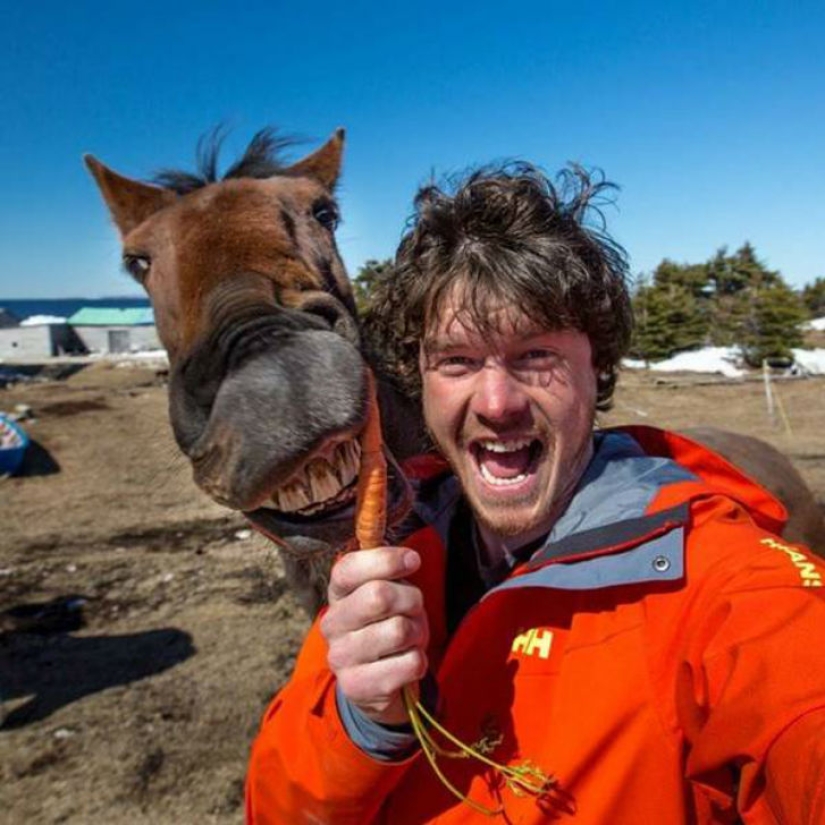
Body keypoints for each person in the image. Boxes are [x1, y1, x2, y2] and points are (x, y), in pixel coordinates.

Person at [245, 164, 825, 823]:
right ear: (421, 378)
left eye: (535, 355)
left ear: (596, 365)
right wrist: (363, 725)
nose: (496, 403)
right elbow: (275, 807)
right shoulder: (378, 570)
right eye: (457, 360)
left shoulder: (713, 577)